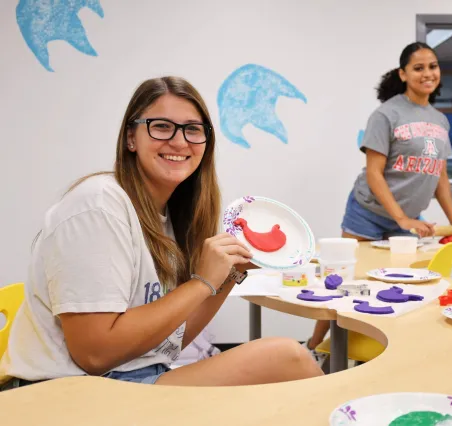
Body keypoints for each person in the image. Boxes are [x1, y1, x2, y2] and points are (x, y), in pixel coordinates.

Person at [0, 76, 323, 390]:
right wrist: (202, 282)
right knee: (288, 357)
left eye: (193, 130)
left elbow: (170, 343)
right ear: (131, 138)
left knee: (282, 376)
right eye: (162, 126)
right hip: (64, 394)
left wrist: (230, 273)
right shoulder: (98, 206)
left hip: (132, 380)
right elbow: (95, 355)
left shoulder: (171, 217)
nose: (180, 141)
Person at [304, 42, 452, 356]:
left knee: (395, 288)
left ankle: (379, 351)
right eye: (419, 67)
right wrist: (402, 219)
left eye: (433, 66)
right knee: (343, 282)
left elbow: (439, 176)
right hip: (369, 213)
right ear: (403, 74)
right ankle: (316, 348)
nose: (428, 73)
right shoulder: (386, 113)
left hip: (407, 222)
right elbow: (373, 172)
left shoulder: (440, 121)